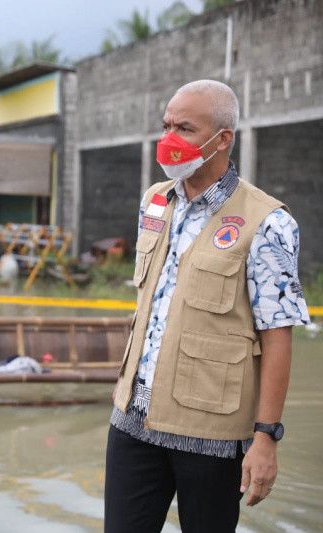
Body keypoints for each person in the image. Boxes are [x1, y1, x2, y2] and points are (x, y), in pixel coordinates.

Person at [105, 80, 310, 533]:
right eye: (166, 125)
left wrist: (266, 438)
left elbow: (277, 336)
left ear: (222, 140)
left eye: (184, 127)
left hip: (211, 437)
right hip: (131, 423)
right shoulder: (155, 201)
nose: (169, 138)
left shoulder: (268, 222)